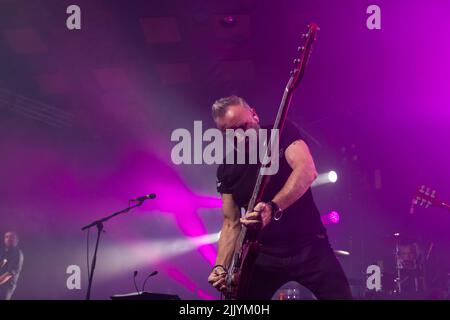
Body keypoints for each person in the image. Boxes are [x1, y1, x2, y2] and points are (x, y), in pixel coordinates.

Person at [207, 96, 352, 299]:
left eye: (243, 127)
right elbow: (231, 223)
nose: (240, 137)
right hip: (262, 255)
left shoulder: (281, 133)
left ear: (255, 115)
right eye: (230, 133)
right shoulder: (227, 168)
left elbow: (307, 170)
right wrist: (220, 267)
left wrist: (273, 207)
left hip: (308, 246)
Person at [0, 231, 24, 300]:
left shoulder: (17, 254)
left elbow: (9, 274)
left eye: (11, 237)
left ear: (16, 240)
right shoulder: (4, 251)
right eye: (6, 237)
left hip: (6, 287)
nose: (8, 239)